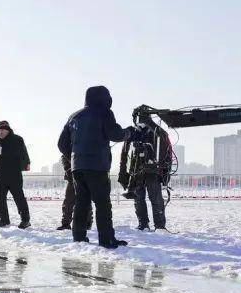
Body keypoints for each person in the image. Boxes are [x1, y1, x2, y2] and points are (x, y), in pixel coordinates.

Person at [57, 85, 131, 249]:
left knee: (81, 202)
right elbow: (115, 134)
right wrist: (129, 133)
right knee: (102, 203)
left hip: (77, 167)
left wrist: (76, 155)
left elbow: (61, 144)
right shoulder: (104, 113)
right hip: (97, 166)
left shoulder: (73, 117)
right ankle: (107, 239)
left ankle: (79, 237)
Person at [119, 111, 171, 231]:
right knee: (138, 199)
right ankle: (143, 224)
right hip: (135, 172)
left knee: (155, 199)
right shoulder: (132, 133)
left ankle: (159, 225)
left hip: (152, 171)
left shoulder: (156, 132)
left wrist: (165, 173)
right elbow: (124, 154)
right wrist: (123, 173)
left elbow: (164, 139)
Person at [0, 120, 31, 228]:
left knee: (19, 197)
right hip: (0, 174)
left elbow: (19, 154)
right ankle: (4, 219)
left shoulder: (17, 139)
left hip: (14, 173)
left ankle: (25, 220)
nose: (1, 132)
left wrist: (2, 151)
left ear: (8, 129)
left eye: (3, 130)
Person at [56, 150, 91, 231]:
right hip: (73, 176)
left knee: (85, 200)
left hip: (85, 175)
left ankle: (87, 223)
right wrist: (68, 168)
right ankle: (66, 223)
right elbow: (64, 155)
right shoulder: (71, 142)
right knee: (68, 201)